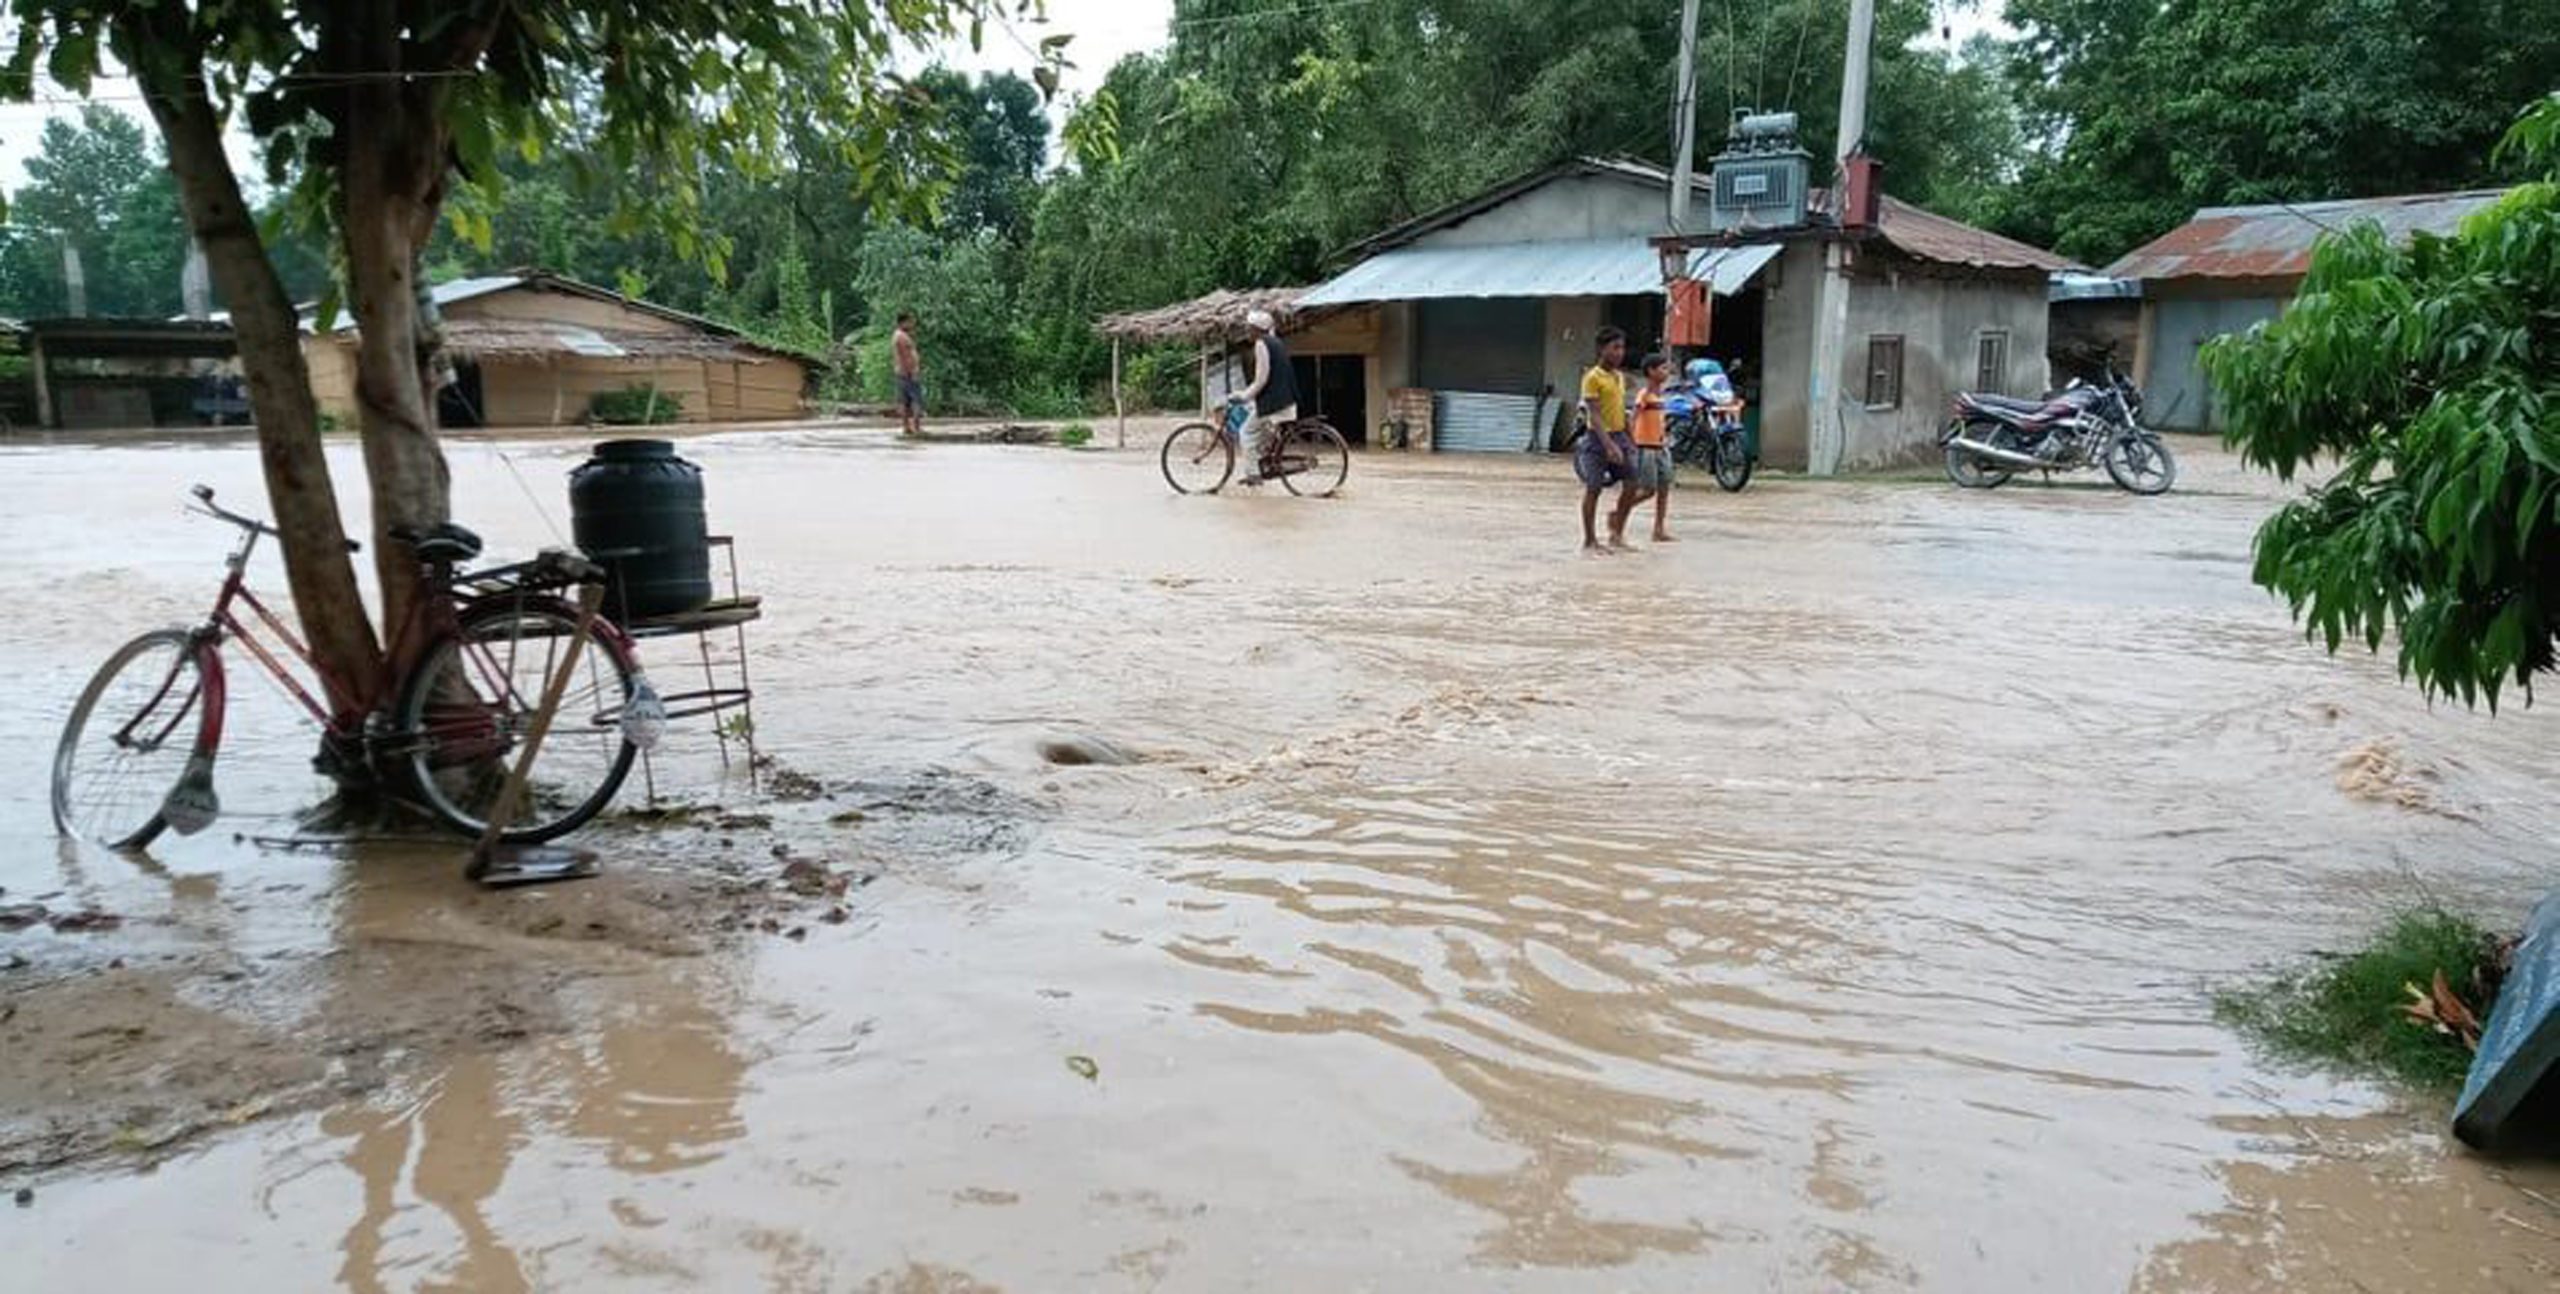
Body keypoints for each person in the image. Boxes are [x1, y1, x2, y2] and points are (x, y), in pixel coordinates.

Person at [1575, 326, 1638, 553]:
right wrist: (1608, 444)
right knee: (1594, 488)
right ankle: (1590, 541)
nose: (1620, 352)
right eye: (1615, 348)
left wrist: (1631, 440)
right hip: (1597, 438)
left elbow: (1621, 410)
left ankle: (1616, 533)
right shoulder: (1592, 377)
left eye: (1622, 347)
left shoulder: (1619, 377)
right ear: (1602, 349)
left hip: (1620, 435)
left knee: (1632, 483)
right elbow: (1595, 414)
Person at [1224, 308, 1299, 486]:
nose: (1247, 331)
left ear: (1257, 329)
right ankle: (1260, 465)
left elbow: (1261, 380)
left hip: (1275, 405)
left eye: (1250, 328)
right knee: (1258, 431)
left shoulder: (1261, 344)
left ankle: (1253, 475)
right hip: (1285, 402)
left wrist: (1243, 396)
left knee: (1246, 432)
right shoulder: (1276, 342)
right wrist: (1249, 397)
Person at [1629, 353, 1677, 543]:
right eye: (1663, 368)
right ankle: (1621, 510)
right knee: (1648, 490)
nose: (1667, 372)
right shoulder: (1644, 395)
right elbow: (1633, 417)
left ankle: (1658, 529)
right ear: (1651, 372)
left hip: (1660, 446)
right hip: (1646, 447)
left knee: (1664, 488)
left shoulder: (1660, 396)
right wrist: (1630, 442)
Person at [892, 312, 923, 437]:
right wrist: (912, 371)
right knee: (916, 400)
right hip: (908, 373)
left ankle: (907, 427)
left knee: (906, 401)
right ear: (902, 322)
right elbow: (905, 357)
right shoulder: (902, 337)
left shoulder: (899, 335)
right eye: (910, 321)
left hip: (903, 372)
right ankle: (915, 427)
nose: (912, 324)